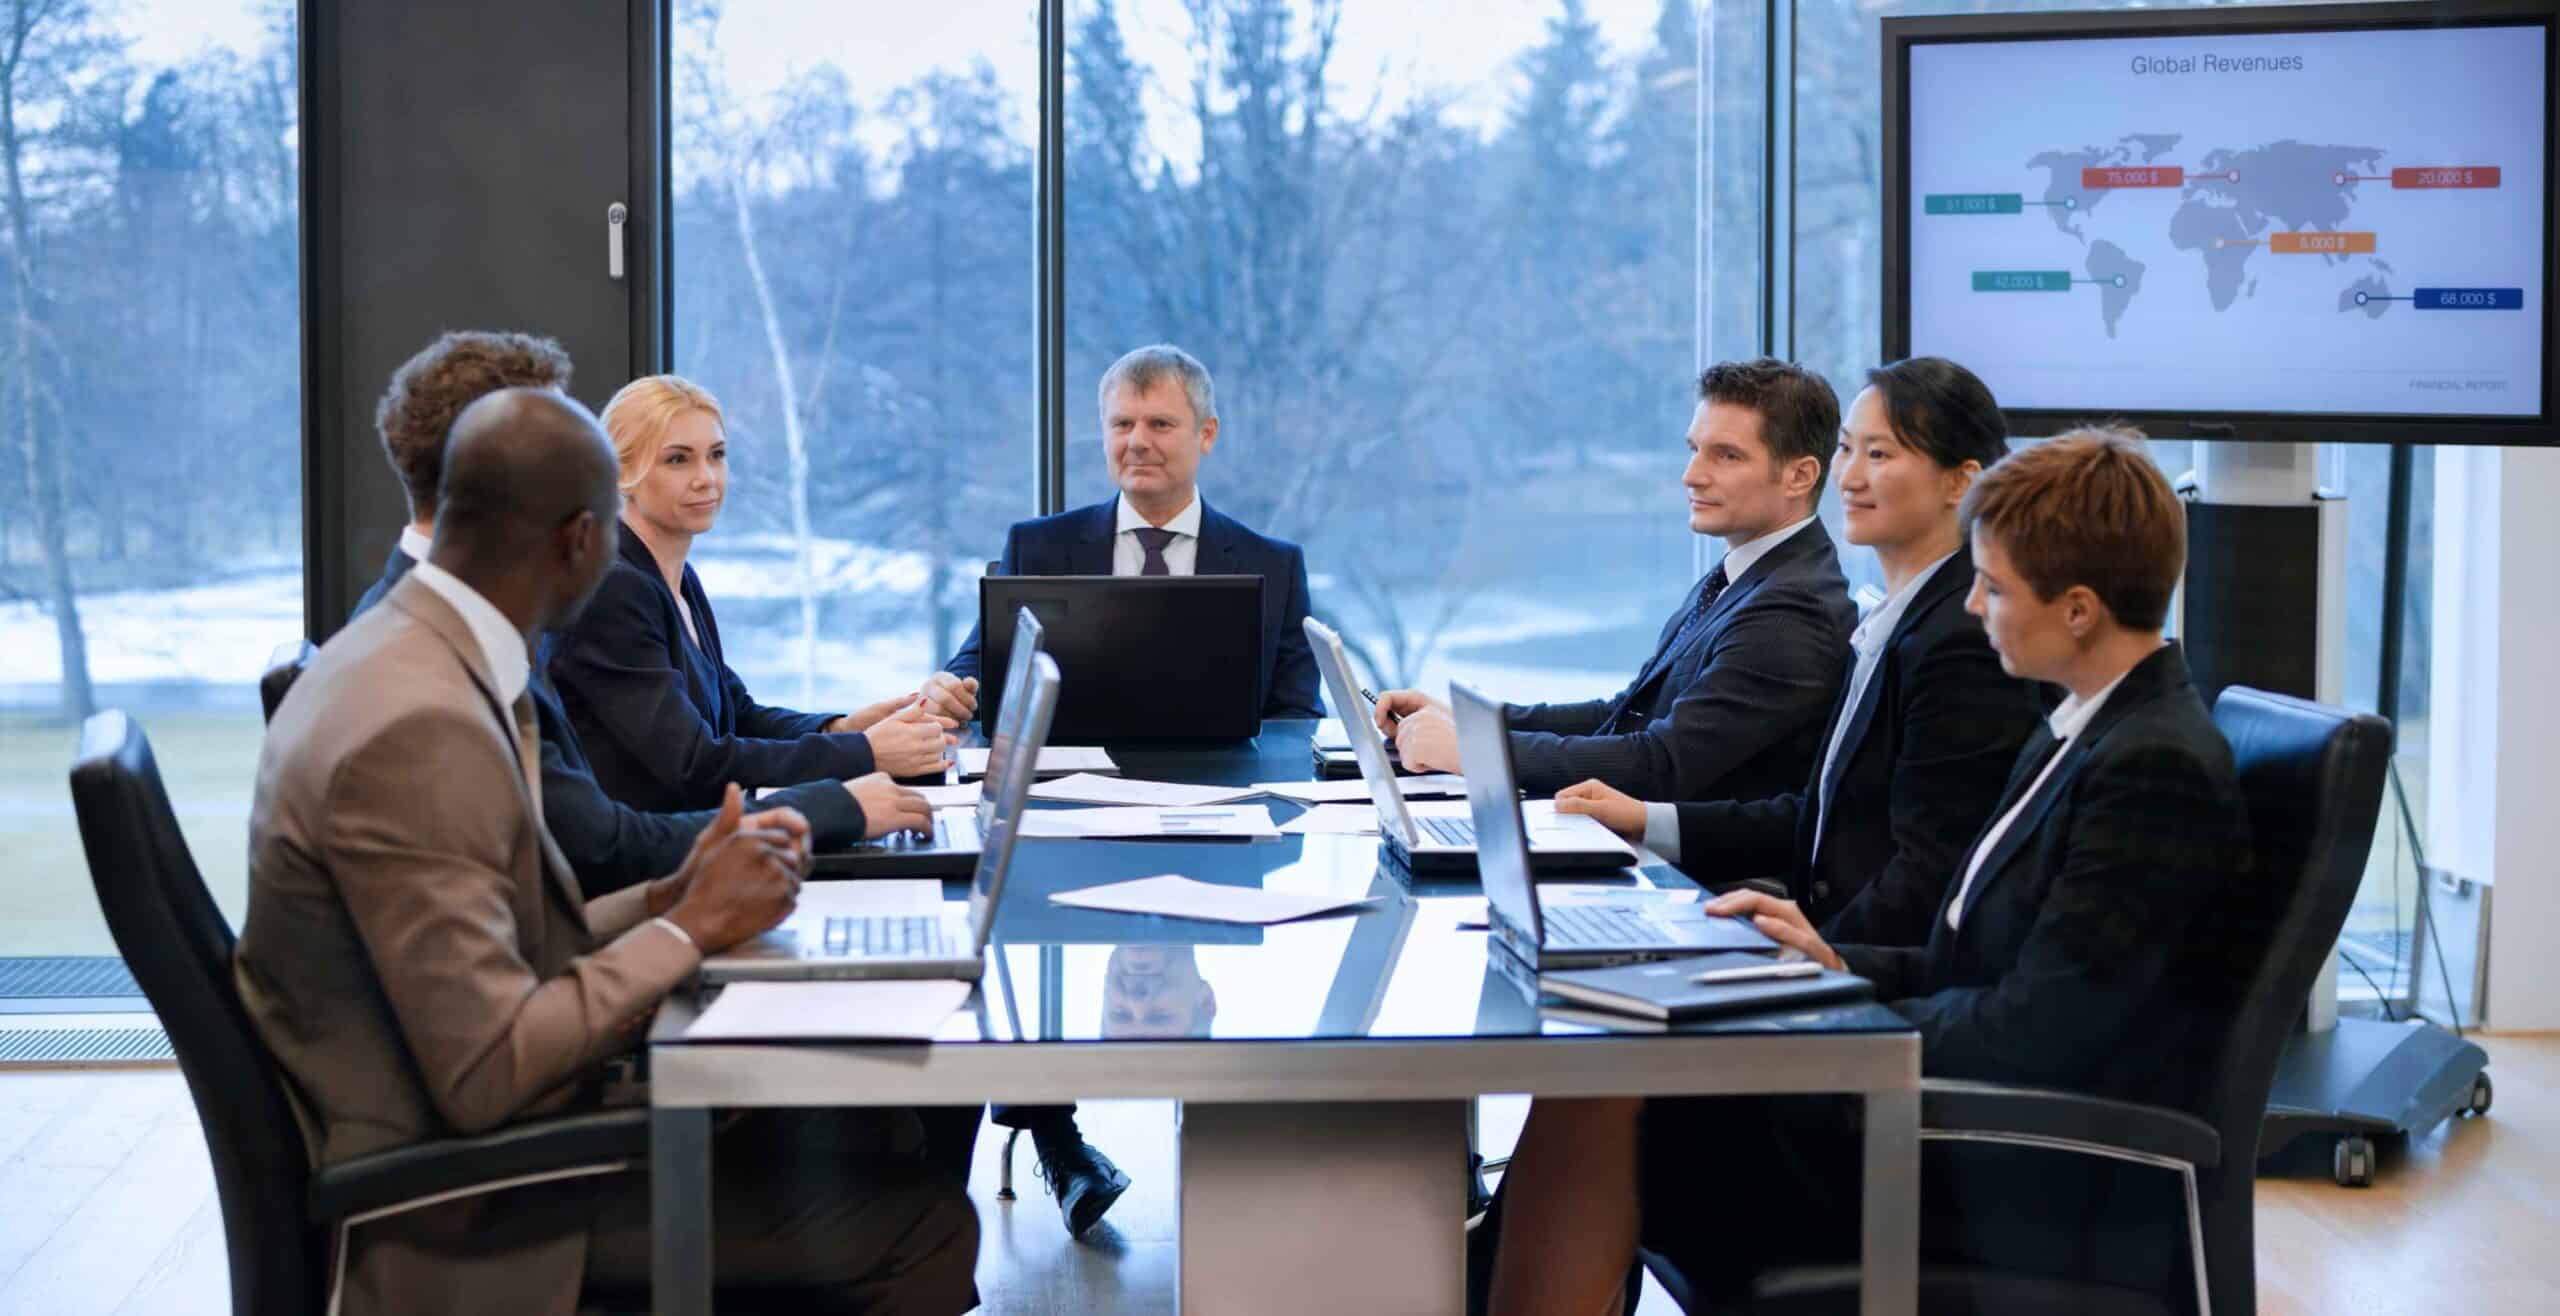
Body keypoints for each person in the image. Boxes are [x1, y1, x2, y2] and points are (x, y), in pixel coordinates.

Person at [235, 389, 979, 1316]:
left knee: (877, 1125)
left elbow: (524, 930)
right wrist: (690, 925)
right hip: (468, 1209)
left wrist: (685, 892)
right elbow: (485, 1074)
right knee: (927, 1221)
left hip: (494, 1136)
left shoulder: (420, 654)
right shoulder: (417, 722)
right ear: (584, 539)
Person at [1479, 429, 2254, 1314]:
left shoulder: (2150, 769)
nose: (1971, 608)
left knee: (1615, 1093)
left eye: (1994, 588)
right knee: (1615, 1077)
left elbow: (2047, 1025)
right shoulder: (2087, 727)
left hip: (2011, 1170)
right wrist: (1837, 965)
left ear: (2077, 609)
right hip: (1951, 1116)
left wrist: (1833, 1023)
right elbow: (1977, 965)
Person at [344, 333, 929, 901]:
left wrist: (841, 733)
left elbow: (724, 718)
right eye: (564, 459)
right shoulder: (458, 647)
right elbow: (611, 843)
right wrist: (837, 795)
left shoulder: (447, 622)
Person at [1554, 358, 2044, 946]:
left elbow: (1933, 870)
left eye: (1880, 455)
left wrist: (1819, 952)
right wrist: (1646, 819)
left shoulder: (1961, 637)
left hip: (1874, 966)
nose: (1850, 477)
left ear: (1960, 481)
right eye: (1847, 449)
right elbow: (1822, 818)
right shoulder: (1900, 617)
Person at [1374, 358, 1858, 801]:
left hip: (1699, 883)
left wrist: (1476, 752)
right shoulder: (1749, 574)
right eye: (1695, 450)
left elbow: (1661, 763)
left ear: (1799, 477)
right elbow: (1626, 711)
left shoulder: (1792, 610)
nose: (1692, 475)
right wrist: (1471, 725)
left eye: (1726, 456)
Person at [548, 374, 956, 816]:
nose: (707, 479)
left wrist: (843, 727)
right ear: (621, 471)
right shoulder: (614, 589)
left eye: (716, 456)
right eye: (678, 460)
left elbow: (736, 713)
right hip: (664, 856)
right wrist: (863, 753)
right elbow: (693, 761)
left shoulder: (677, 578)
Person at [919, 343, 1322, 724]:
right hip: (1069, 786)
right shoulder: (1037, 549)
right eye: (1122, 424)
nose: (1137, 442)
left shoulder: (1275, 565)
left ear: (1207, 433)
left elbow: (1298, 719)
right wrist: (949, 692)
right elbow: (975, 676)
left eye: (1160, 424)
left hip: (1231, 788)